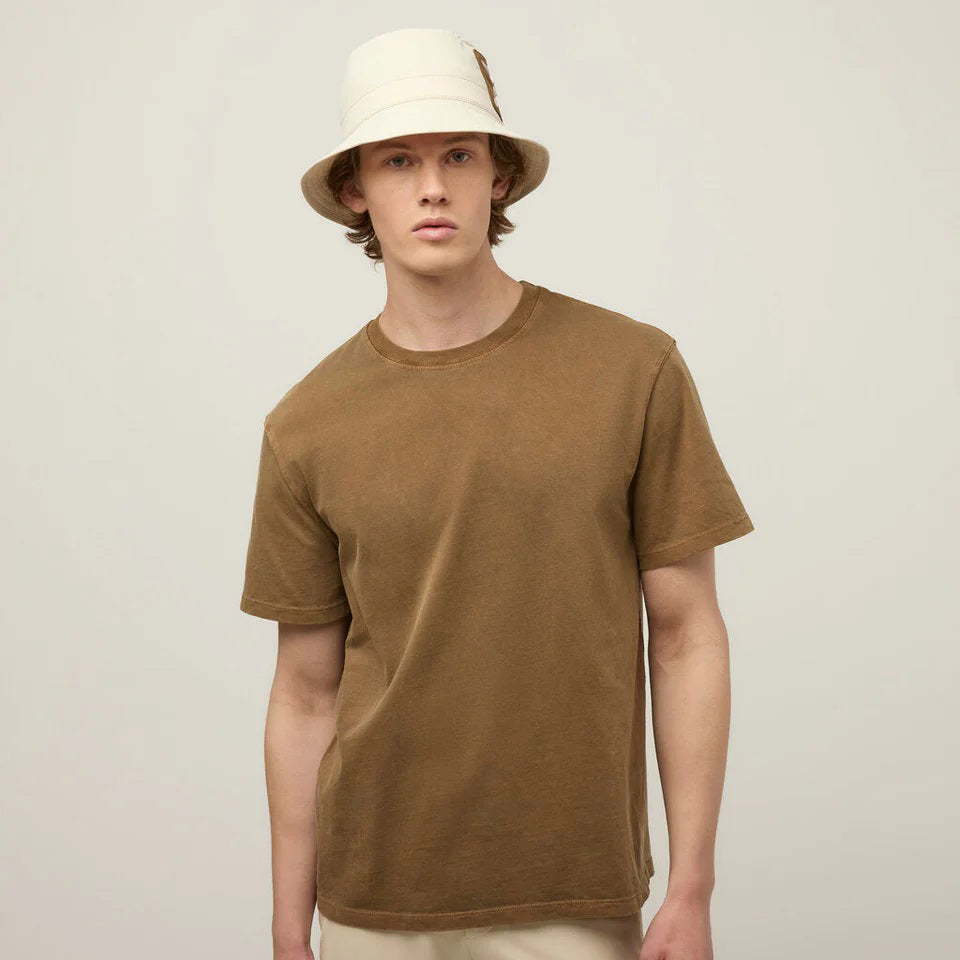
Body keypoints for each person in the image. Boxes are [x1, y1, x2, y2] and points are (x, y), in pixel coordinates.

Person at [240, 27, 755, 960]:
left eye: (458, 154)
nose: (432, 185)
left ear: (499, 176)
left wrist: (692, 885)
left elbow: (686, 635)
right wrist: (289, 924)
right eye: (399, 160)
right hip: (372, 901)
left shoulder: (631, 371)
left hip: (571, 891)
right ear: (357, 189)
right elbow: (305, 694)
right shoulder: (306, 423)